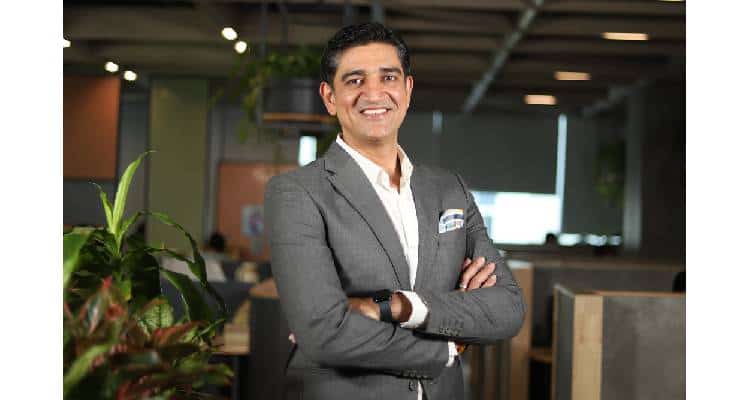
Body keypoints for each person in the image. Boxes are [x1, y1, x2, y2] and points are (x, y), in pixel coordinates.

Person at [265, 22, 526, 400]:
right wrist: (447, 347)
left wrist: (399, 307)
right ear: (329, 97)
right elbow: (324, 333)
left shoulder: (449, 190)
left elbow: (507, 308)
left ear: (407, 89)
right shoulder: (297, 193)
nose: (374, 93)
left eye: (388, 77)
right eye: (355, 80)